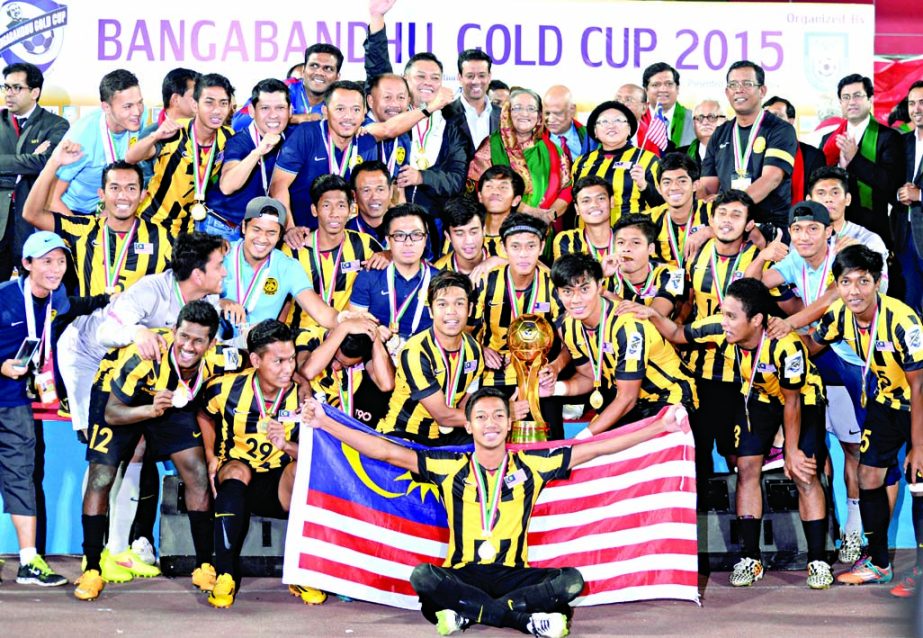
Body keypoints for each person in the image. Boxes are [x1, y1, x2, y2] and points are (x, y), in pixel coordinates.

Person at [304, 386, 687, 637]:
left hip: (512, 576)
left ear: (509, 424)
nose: (490, 423)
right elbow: (385, 450)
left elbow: (600, 448)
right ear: (468, 425)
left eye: (498, 416)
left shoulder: (534, 466)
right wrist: (324, 422)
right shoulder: (448, 467)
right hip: (462, 572)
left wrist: (659, 428)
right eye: (482, 417)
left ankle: (469, 614)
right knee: (423, 577)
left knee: (571, 580)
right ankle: (522, 620)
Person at [623, 277, 831, 589]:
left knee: (803, 473)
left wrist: (791, 450)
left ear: (757, 320)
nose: (724, 323)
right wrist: (651, 313)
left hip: (803, 398)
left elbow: (792, 402)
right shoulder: (721, 328)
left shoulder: (787, 346)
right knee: (747, 466)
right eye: (723, 313)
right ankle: (750, 557)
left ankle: (818, 560)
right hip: (759, 394)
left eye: (732, 316)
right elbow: (679, 335)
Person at [74, 300, 224, 601]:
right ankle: (92, 567)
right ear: (173, 331)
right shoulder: (145, 355)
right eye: (183, 336)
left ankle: (205, 565)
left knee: (196, 472)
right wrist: (149, 411)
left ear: (211, 343)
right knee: (101, 476)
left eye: (198, 340)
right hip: (119, 401)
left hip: (168, 403)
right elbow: (112, 413)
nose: (188, 346)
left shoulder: (219, 359)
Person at [811, 246, 923, 597]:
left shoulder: (904, 321)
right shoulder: (837, 316)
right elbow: (810, 345)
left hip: (918, 403)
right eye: (846, 282)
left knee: (919, 481)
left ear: (878, 283)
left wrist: (919, 447)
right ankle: (878, 563)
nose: (854, 290)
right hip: (886, 404)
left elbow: (919, 385)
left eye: (863, 281)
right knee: (868, 476)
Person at [55, 232, 227, 437]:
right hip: (85, 350)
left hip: (125, 362)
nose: (224, 272)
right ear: (198, 275)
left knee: (136, 438)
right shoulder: (150, 290)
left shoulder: (208, 301)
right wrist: (138, 332)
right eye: (219, 266)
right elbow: (104, 332)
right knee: (97, 436)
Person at [198, 320, 312, 607]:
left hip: (279, 484)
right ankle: (225, 574)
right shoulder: (225, 389)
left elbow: (318, 456)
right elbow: (203, 413)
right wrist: (211, 456)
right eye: (279, 361)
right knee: (236, 470)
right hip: (238, 482)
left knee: (303, 471)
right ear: (255, 360)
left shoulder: (306, 397)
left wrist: (286, 445)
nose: (288, 368)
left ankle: (303, 573)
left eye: (291, 359)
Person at [549, 253, 695, 432]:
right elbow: (589, 377)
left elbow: (627, 398)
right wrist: (554, 388)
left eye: (585, 289)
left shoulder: (627, 325)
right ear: (558, 293)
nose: (576, 299)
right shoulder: (567, 326)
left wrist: (584, 438)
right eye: (567, 291)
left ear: (599, 286)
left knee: (601, 448)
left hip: (667, 397)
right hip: (624, 400)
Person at [0, 231, 70, 587]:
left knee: (20, 475)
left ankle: (28, 562)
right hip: (4, 389)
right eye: (46, 262)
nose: (55, 269)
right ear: (26, 265)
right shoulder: (4, 298)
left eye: (60, 261)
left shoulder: (61, 301)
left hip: (15, 404)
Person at [680, 189, 761, 482]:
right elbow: (686, 301)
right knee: (696, 452)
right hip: (698, 371)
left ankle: (743, 523)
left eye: (736, 215)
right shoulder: (695, 252)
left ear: (749, 225)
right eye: (722, 214)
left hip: (741, 374)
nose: (727, 221)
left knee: (737, 454)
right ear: (711, 220)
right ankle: (698, 523)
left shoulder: (759, 259)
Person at [24, 141, 172, 296]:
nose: (122, 196)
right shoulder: (84, 229)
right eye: (114, 188)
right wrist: (53, 163)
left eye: (131, 188)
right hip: (91, 318)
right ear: (101, 194)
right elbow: (32, 214)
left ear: (142, 195)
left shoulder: (162, 237)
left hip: (137, 320)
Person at [469, 213, 564, 437]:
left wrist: (557, 367)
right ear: (503, 248)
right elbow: (464, 333)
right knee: (492, 438)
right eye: (515, 246)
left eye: (531, 246)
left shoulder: (554, 284)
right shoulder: (485, 281)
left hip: (540, 377)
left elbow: (570, 337)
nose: (523, 254)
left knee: (551, 444)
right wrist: (481, 350)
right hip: (494, 374)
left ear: (541, 247)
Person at [377, 271, 485, 445]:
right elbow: (443, 416)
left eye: (459, 303)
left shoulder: (475, 350)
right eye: (442, 304)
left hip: (444, 438)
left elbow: (467, 404)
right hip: (403, 436)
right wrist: (497, 413)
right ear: (431, 310)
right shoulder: (416, 351)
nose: (451, 312)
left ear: (470, 309)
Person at [218, 195, 341, 345]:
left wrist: (348, 320)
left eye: (271, 233)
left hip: (257, 353)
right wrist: (220, 303)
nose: (262, 239)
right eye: (256, 229)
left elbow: (322, 313)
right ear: (244, 227)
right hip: (212, 348)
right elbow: (191, 300)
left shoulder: (287, 267)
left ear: (279, 236)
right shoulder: (221, 255)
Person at [270, 80, 379, 243]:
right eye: (340, 109)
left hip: (343, 238)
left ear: (364, 113)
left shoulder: (367, 143)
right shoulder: (306, 134)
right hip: (301, 234)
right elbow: (278, 184)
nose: (348, 116)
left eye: (356, 109)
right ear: (325, 111)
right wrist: (290, 228)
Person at [700, 61, 798, 240]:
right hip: (728, 230)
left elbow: (772, 178)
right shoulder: (720, 133)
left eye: (747, 84)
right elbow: (708, 187)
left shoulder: (780, 129)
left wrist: (733, 209)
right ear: (727, 92)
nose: (739, 89)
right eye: (733, 85)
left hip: (768, 229)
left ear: (762, 91)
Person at [130, 73, 235, 237]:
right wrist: (155, 136)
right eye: (209, 103)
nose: (217, 110)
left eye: (223, 103)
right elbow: (131, 158)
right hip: (153, 222)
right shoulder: (175, 132)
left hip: (190, 228)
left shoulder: (229, 137)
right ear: (195, 104)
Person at [281, 176, 382, 330]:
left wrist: (388, 255)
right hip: (300, 334)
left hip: (345, 334)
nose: (334, 213)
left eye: (341, 205)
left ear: (351, 210)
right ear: (315, 210)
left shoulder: (365, 244)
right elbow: (282, 301)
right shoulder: (292, 249)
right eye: (326, 205)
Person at [0, 62, 68, 281]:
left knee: (35, 293)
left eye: (17, 88)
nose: (9, 94)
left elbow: (47, 163)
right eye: (6, 87)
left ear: (35, 92)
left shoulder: (56, 125)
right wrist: (31, 161)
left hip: (34, 221)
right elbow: (36, 163)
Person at [821, 73, 904, 248]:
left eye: (858, 95)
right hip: (834, 228)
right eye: (846, 97)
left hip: (873, 228)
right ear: (841, 103)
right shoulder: (829, 140)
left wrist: (855, 159)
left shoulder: (888, 137)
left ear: (870, 99)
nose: (852, 101)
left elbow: (891, 183)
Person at [467, 88, 571, 226]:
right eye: (517, 108)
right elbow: (477, 188)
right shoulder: (491, 146)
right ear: (507, 113)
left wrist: (550, 214)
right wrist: (530, 212)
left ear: (540, 116)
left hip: (543, 229)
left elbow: (567, 188)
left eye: (531, 108)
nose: (524, 113)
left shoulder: (553, 150)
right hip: (500, 228)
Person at [203, 78, 291, 240]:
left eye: (280, 108)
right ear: (251, 110)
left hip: (259, 230)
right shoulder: (239, 141)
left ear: (290, 110)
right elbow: (227, 186)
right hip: (222, 228)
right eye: (265, 108)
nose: (273, 115)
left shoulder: (292, 138)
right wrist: (257, 152)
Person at [350, 203, 439, 358]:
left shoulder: (439, 280)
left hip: (426, 359)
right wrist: (374, 331)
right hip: (375, 357)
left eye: (416, 235)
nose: (408, 242)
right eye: (399, 235)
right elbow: (355, 324)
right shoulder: (369, 276)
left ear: (425, 239)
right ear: (388, 240)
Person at [51, 69, 143, 215]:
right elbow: (51, 198)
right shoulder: (82, 136)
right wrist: (83, 232)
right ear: (106, 107)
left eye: (140, 103)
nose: (137, 112)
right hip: (73, 211)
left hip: (110, 209)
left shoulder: (140, 125)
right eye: (128, 106)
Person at [573, 100, 663, 224]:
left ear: (630, 129)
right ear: (595, 131)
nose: (611, 126)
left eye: (618, 120)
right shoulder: (581, 162)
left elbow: (663, 205)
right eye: (604, 121)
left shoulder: (648, 160)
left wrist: (644, 185)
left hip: (633, 235)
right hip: (589, 238)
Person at [296, 317, 394, 428]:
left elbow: (386, 385)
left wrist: (374, 336)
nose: (336, 367)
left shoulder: (362, 351)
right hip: (302, 411)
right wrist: (344, 327)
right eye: (334, 358)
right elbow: (307, 372)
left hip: (331, 419)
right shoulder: (310, 335)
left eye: (346, 365)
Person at [231, 43, 343, 130]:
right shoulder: (280, 90)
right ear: (303, 70)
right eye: (314, 66)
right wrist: (295, 118)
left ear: (337, 77)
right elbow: (238, 123)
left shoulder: (342, 101)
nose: (319, 72)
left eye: (328, 68)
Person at [607, 215, 685, 319]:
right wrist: (599, 278)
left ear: (651, 249)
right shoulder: (603, 276)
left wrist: (604, 293)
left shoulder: (673, 273)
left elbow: (655, 316)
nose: (626, 248)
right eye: (621, 242)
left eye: (635, 242)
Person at [646, 152, 713, 269]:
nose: (674, 187)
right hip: (665, 284)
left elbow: (744, 230)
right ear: (659, 188)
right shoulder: (649, 219)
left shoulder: (713, 211)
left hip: (707, 283)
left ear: (695, 185)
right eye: (667, 182)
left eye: (682, 181)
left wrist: (709, 231)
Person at [137, 67, 198, 185]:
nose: (200, 101)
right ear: (175, 99)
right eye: (195, 96)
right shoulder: (151, 134)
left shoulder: (207, 132)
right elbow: (145, 182)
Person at [763, 96, 825, 204]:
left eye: (777, 116)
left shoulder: (813, 156)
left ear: (790, 121)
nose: (771, 121)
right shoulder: (754, 153)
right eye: (766, 117)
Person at [895, 80, 923, 314]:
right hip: (903, 236)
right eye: (912, 103)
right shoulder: (901, 142)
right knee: (908, 302)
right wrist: (899, 194)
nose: (917, 109)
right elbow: (891, 183)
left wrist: (920, 195)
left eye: (922, 102)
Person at [433, 197, 499, 277]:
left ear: (484, 230)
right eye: (460, 234)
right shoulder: (438, 272)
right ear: (448, 236)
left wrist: (500, 262)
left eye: (474, 232)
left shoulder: (504, 255)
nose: (468, 241)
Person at [640, 62, 696, 148]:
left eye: (669, 84)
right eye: (656, 85)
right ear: (645, 90)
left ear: (677, 88)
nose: (663, 89)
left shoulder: (695, 120)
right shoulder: (637, 120)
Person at [456, 48, 499, 149]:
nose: (476, 81)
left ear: (489, 77)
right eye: (470, 76)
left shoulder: (502, 116)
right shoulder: (445, 114)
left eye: (481, 75)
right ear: (460, 77)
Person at [476, 165, 522, 258]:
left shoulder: (523, 237)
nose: (495, 192)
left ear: (515, 200)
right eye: (489, 186)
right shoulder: (465, 231)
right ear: (480, 196)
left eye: (503, 187)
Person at [543, 85, 596, 163]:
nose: (551, 119)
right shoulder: (535, 141)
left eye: (557, 113)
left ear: (572, 110)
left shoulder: (593, 137)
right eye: (547, 113)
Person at [347, 160, 394, 243]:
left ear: (391, 192)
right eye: (366, 190)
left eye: (380, 189)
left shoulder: (405, 230)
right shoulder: (344, 235)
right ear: (354, 195)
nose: (374, 197)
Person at [678, 100, 725, 173]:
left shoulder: (736, 152)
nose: (705, 122)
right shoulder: (679, 156)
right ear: (693, 124)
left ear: (725, 121)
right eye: (700, 118)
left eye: (712, 117)